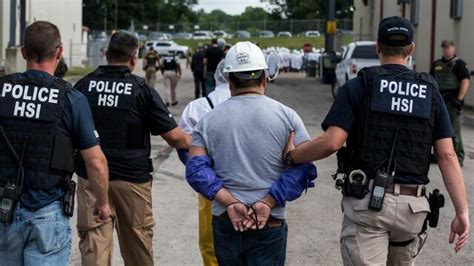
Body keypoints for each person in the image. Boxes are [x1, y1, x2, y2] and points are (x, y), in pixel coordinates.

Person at [282, 17, 470, 265]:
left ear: (378, 47)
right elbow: (447, 155)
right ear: (411, 49)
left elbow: (332, 142)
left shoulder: (360, 85)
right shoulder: (429, 91)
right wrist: (462, 211)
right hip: (412, 210)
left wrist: (291, 156)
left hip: (368, 204)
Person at [186, 42, 316, 265]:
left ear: (229, 81)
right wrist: (267, 202)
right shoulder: (288, 118)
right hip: (270, 221)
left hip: (227, 220)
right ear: (265, 78)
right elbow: (304, 168)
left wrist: (228, 201)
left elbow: (196, 169)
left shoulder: (207, 121)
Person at [74, 31, 191, 266]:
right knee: (138, 249)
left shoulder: (84, 86)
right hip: (132, 181)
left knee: (95, 250)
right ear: (134, 59)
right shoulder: (141, 90)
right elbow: (176, 138)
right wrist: (196, 141)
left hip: (92, 181)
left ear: (106, 54)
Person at [0, 21, 110, 265]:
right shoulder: (71, 98)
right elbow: (95, 161)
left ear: (23, 52)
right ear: (59, 52)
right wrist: (102, 202)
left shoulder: (2, 90)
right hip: (47, 211)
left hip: (4, 209)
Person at [179, 60, 230, 266]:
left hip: (211, 187)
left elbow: (185, 149)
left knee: (211, 245)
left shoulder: (197, 107)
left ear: (216, 76)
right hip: (253, 186)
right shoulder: (265, 106)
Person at [430, 40, 470, 167]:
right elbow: (431, 81)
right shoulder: (437, 63)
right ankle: (438, 155)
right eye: (444, 48)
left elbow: (465, 81)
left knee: (454, 130)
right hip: (439, 100)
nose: (446, 50)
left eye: (449, 47)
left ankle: (458, 156)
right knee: (437, 129)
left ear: (453, 48)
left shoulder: (459, 64)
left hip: (452, 101)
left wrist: (459, 99)